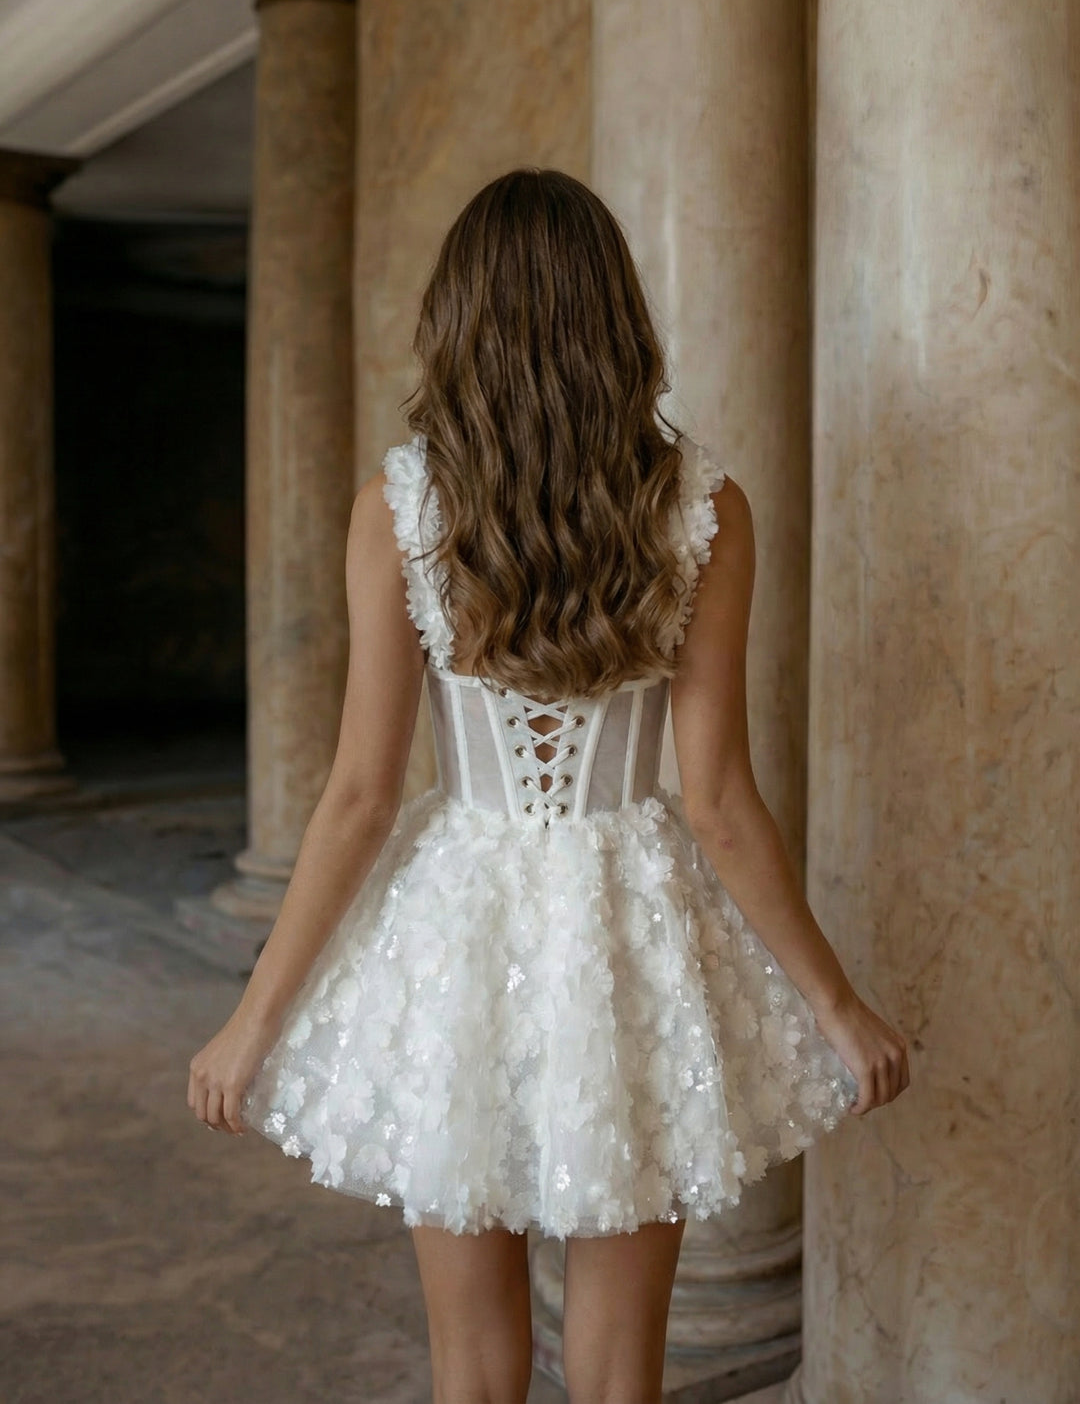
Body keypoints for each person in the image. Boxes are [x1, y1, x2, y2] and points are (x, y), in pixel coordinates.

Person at [187, 167, 909, 1404]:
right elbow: (721, 799)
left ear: (457, 324)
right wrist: (835, 1005)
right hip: (632, 926)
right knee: (621, 1378)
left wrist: (252, 1021)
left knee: (474, 1375)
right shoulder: (704, 509)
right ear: (615, 320)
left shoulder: (401, 508)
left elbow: (362, 791)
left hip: (458, 928)